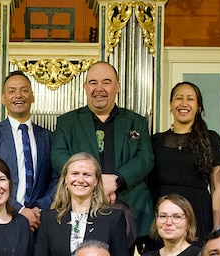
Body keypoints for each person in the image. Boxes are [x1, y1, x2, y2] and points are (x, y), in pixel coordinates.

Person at [51, 62, 154, 238]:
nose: (99, 88)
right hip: (80, 206)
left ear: (117, 87)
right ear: (85, 87)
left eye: (106, 82)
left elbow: (145, 158)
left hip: (130, 208)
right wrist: (95, 182)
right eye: (93, 82)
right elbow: (57, 156)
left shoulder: (137, 122)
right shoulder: (67, 122)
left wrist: (116, 180)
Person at [31, 153, 131, 256]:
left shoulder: (113, 219)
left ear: (96, 181)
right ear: (65, 179)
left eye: (87, 175)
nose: (80, 179)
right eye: (75, 174)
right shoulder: (49, 219)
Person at [0, 70, 57, 231]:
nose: (18, 95)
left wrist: (37, 209)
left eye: (24, 90)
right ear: (3, 98)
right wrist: (19, 210)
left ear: (32, 96)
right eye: (12, 91)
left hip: (38, 222)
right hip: (0, 219)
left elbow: (56, 179)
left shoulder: (48, 137)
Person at [148, 82, 220, 240]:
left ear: (198, 106)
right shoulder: (155, 141)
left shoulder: (211, 140)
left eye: (190, 99)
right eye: (179, 98)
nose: (184, 104)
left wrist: (217, 228)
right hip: (162, 218)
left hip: (198, 215)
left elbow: (217, 189)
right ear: (171, 104)